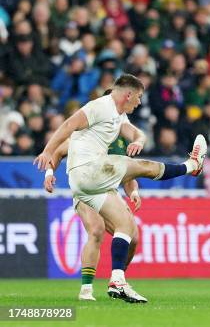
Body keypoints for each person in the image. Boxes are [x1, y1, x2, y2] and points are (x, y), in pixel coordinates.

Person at [34, 74, 207, 303]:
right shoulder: (100, 107)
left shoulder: (118, 117)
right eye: (139, 97)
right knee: (142, 167)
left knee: (127, 226)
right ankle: (192, 166)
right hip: (89, 170)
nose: (139, 102)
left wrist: (138, 143)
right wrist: (47, 152)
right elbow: (68, 125)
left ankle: (118, 280)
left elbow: (137, 135)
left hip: (91, 183)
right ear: (128, 94)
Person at [44, 90, 142, 301]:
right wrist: (50, 173)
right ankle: (86, 290)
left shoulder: (120, 139)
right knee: (96, 231)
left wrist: (133, 191)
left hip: (108, 190)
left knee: (133, 237)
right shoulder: (89, 132)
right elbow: (58, 151)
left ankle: (118, 279)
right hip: (87, 190)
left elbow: (126, 172)